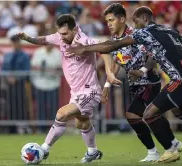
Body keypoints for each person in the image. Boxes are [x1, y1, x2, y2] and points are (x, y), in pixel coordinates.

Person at [67, 6, 182, 163]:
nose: (135, 26)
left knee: (148, 114)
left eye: (136, 21)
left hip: (177, 79)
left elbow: (112, 47)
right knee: (178, 110)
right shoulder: (169, 29)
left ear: (145, 19)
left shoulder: (143, 33)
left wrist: (85, 48)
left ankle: (170, 150)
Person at [16, 14, 121, 163]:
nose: (62, 37)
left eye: (65, 34)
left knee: (61, 114)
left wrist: (109, 73)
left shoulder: (84, 41)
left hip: (90, 91)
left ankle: (44, 149)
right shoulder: (60, 37)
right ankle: (93, 151)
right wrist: (28, 38)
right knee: (81, 123)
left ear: (75, 29)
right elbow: (44, 40)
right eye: (60, 33)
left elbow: (104, 49)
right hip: (76, 92)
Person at [101, 3, 182, 162]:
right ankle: (173, 142)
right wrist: (106, 86)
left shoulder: (136, 35)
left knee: (133, 115)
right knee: (154, 114)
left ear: (122, 19)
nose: (109, 24)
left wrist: (143, 71)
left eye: (111, 20)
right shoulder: (114, 41)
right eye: (107, 21)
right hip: (135, 85)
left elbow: (152, 55)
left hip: (148, 81)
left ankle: (154, 151)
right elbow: (116, 63)